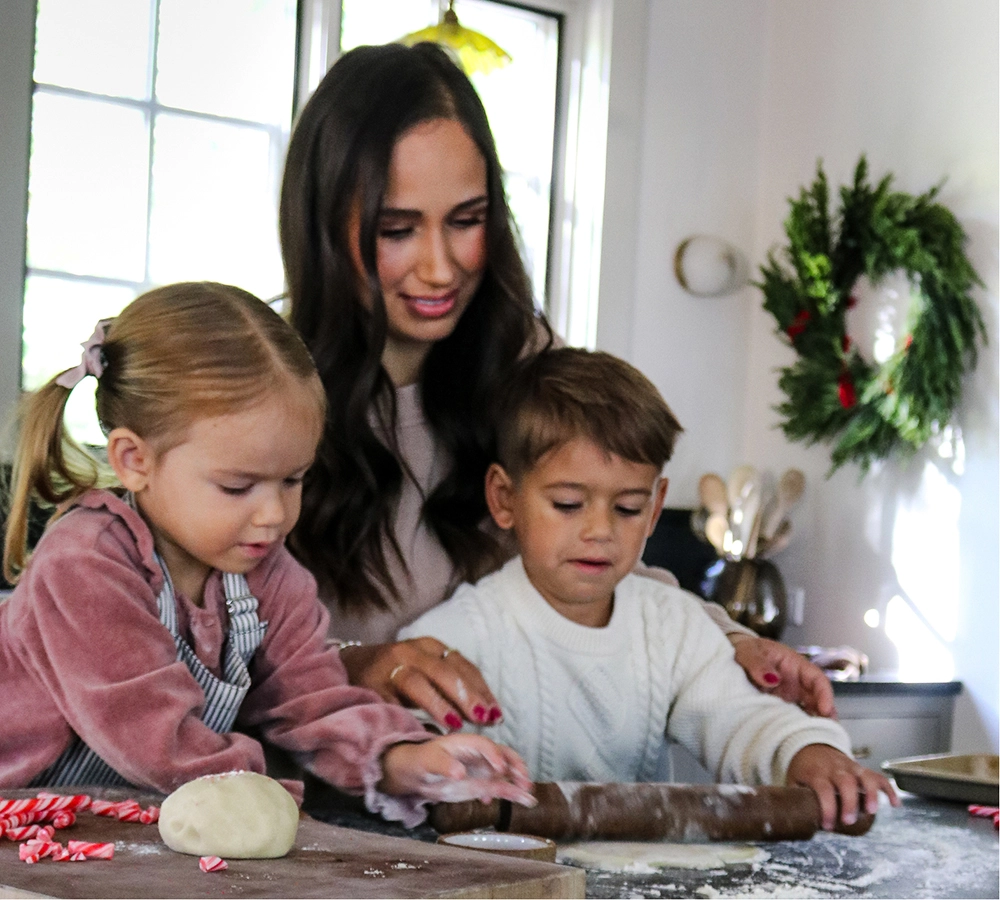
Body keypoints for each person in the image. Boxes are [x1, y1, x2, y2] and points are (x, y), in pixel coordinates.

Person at [278, 40, 835, 734]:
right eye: (397, 229)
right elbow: (217, 652)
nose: (441, 267)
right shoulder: (271, 386)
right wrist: (357, 663)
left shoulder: (525, 361)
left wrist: (727, 641)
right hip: (329, 780)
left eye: (467, 220)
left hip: (499, 776)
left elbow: (598, 568)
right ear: (325, 227)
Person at [0, 282, 535, 827]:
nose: (273, 514)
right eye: (237, 487)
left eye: (293, 480)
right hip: (16, 819)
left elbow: (315, 699)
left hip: (118, 825)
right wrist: (275, 794)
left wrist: (405, 760)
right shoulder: (85, 564)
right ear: (135, 460)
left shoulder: (267, 575)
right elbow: (155, 739)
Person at [399, 347, 898, 830]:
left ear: (656, 507)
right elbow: (401, 742)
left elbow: (741, 717)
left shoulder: (673, 628)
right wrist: (423, 754)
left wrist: (810, 752)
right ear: (504, 498)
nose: (600, 530)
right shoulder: (457, 636)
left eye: (628, 508)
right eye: (568, 504)